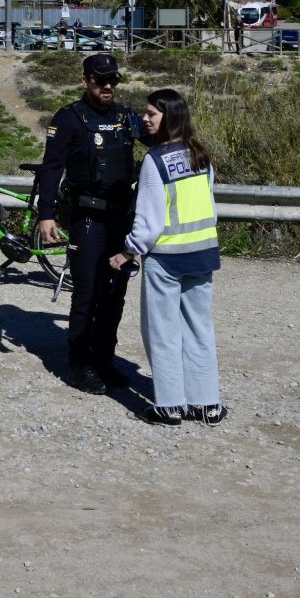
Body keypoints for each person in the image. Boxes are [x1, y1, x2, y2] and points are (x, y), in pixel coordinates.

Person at [110, 88, 224, 427]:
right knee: (199, 329)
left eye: (151, 115)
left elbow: (148, 222)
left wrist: (126, 251)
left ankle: (170, 406)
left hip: (167, 259)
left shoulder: (155, 162)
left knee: (162, 333)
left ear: (168, 119)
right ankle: (208, 405)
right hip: (202, 255)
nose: (144, 120)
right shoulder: (201, 156)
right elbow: (210, 207)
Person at [33, 53, 142, 391]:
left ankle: (104, 360)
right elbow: (51, 168)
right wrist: (46, 214)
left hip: (120, 219)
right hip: (88, 220)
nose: (108, 86)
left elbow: (158, 139)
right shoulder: (68, 119)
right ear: (85, 81)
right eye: (100, 80)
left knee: (115, 294)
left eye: (113, 80)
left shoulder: (126, 117)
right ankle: (79, 364)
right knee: (87, 292)